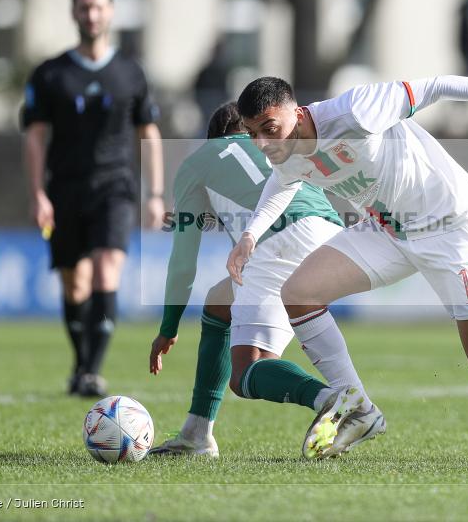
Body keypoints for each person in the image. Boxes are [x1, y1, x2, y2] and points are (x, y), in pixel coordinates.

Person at [227, 75, 468, 463]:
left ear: (297, 111)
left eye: (269, 129)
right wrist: (250, 236)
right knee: (299, 294)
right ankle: (360, 411)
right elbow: (281, 184)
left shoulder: (355, 110)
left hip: (452, 229)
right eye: (252, 133)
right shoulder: (286, 152)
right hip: (389, 231)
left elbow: (435, 86)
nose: (262, 144)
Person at [148, 103, 384, 459]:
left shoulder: (198, 162)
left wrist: (168, 327)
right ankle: (196, 433)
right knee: (219, 302)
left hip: (277, 243)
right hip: (330, 234)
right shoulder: (274, 146)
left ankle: (336, 400)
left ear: (212, 138)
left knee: (246, 373)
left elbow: (183, 261)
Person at [22, 0, 165, 397]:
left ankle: (91, 371)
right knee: (75, 284)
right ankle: (81, 364)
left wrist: (155, 194)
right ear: (74, 12)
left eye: (99, 6)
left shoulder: (130, 72)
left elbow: (149, 132)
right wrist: (37, 193)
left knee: (107, 268)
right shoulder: (51, 74)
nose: (92, 14)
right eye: (84, 7)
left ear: (111, 11)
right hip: (65, 188)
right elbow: (33, 135)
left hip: (115, 187)